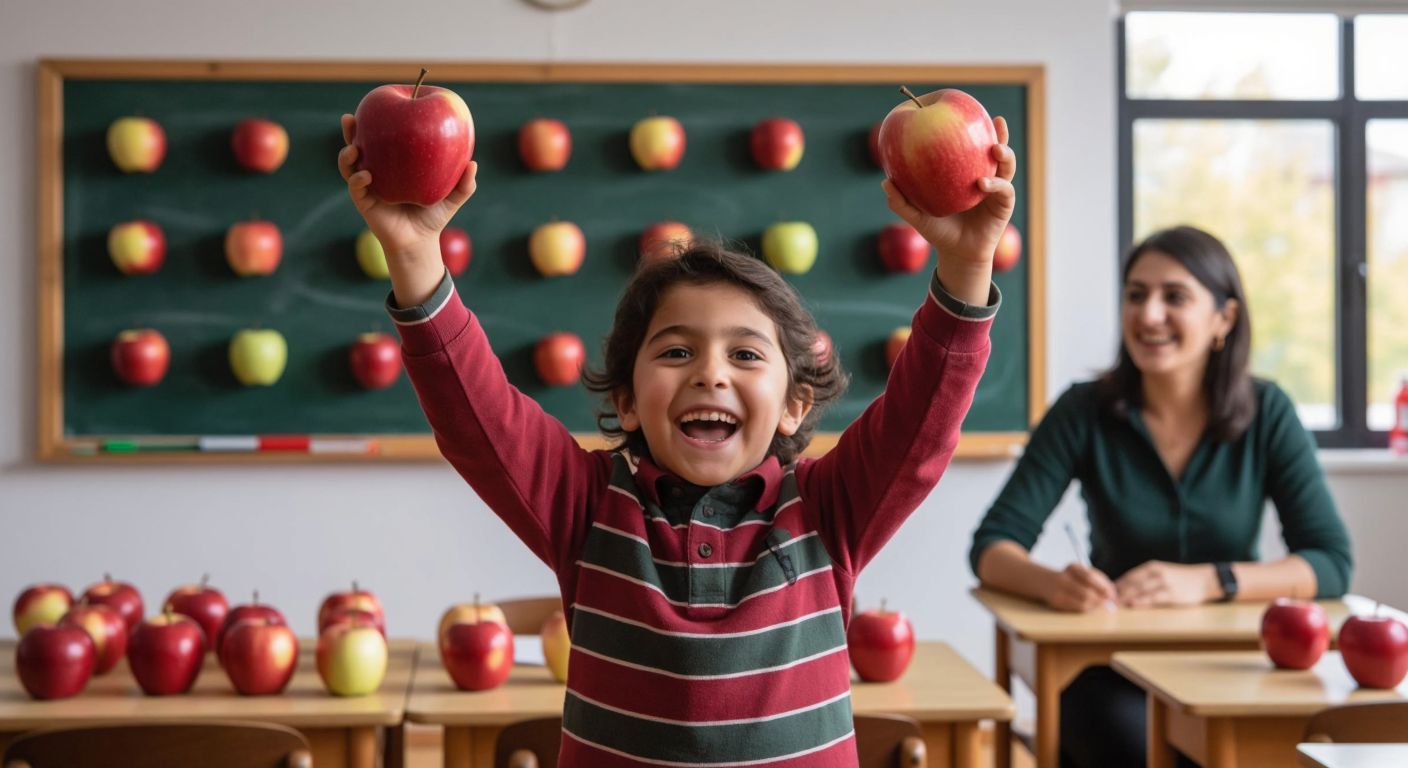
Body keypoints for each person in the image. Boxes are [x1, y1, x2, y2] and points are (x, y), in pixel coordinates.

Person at [338, 106, 1015, 765]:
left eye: (746, 355)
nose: (710, 375)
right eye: (675, 352)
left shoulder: (826, 512)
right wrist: (414, 253)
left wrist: (967, 263)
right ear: (629, 402)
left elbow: (921, 423)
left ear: (793, 404)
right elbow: (475, 414)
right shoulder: (590, 507)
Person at [968, 225, 1353, 768]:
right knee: (1134, 748)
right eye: (1135, 295)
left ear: (1225, 319)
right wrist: (1055, 585)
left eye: (1174, 297)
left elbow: (1331, 563)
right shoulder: (1083, 411)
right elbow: (992, 548)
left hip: (1236, 672)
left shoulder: (1270, 413)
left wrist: (1210, 580)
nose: (1149, 315)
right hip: (1110, 672)